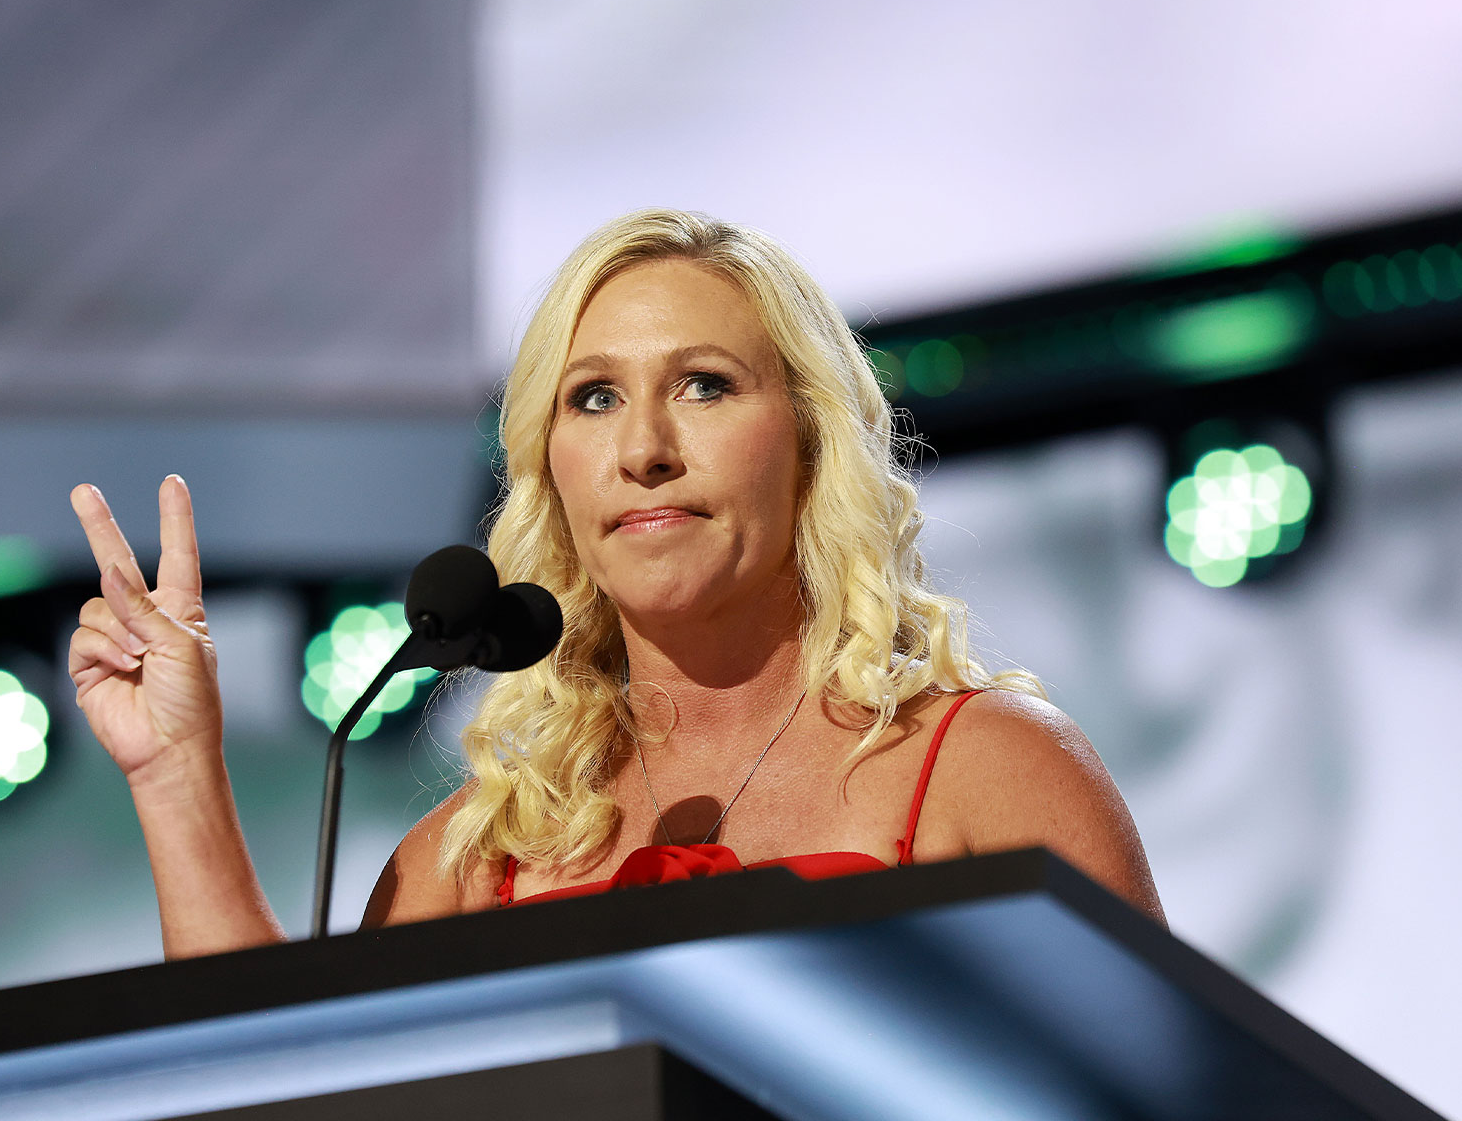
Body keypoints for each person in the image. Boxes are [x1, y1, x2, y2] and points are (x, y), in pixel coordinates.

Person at [68, 209, 1165, 960]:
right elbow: (290, 1105)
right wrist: (175, 773)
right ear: (551, 468)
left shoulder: (991, 774)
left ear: (810, 443)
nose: (643, 450)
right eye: (593, 398)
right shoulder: (463, 868)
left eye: (704, 385)